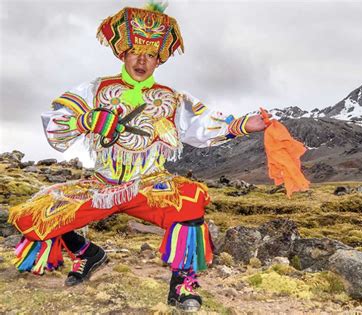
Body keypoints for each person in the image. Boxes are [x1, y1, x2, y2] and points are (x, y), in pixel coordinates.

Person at [8, 4, 268, 312]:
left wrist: (244, 124)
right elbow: (56, 122)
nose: (142, 60)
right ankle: (88, 253)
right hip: (102, 184)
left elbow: (202, 124)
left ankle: (182, 286)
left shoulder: (173, 98)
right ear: (122, 54)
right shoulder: (95, 89)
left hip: (149, 184)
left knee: (190, 200)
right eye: (134, 51)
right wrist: (84, 120)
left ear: (159, 59)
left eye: (150, 55)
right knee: (37, 211)